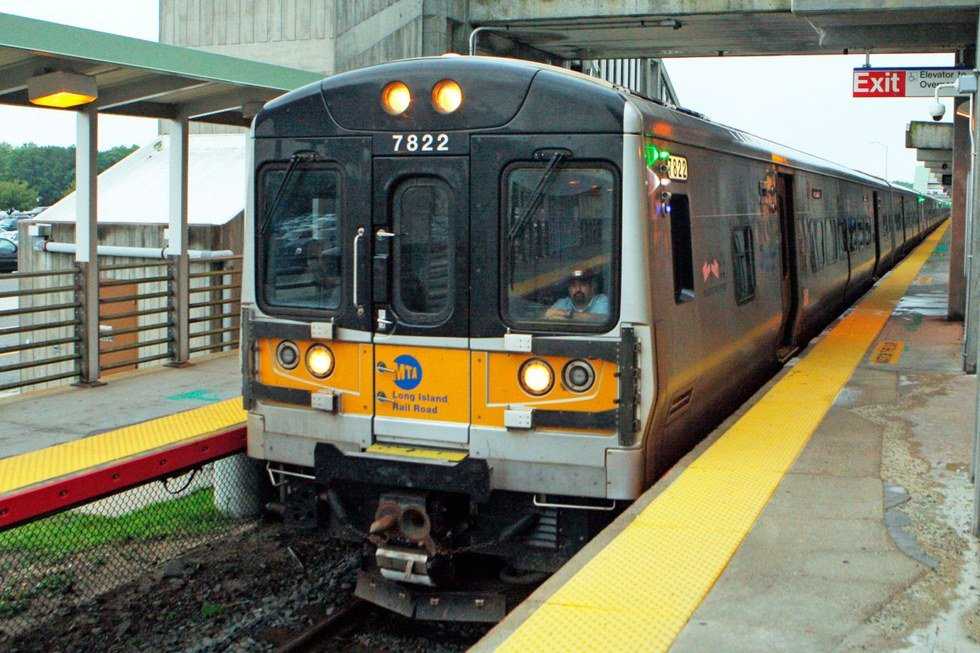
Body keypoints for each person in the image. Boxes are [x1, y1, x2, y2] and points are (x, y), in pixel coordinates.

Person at [544, 269, 609, 320]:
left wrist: (569, 315)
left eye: (583, 285)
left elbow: (603, 319)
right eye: (573, 285)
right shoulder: (563, 303)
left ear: (592, 287)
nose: (578, 289)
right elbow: (547, 317)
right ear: (569, 289)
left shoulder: (602, 300)